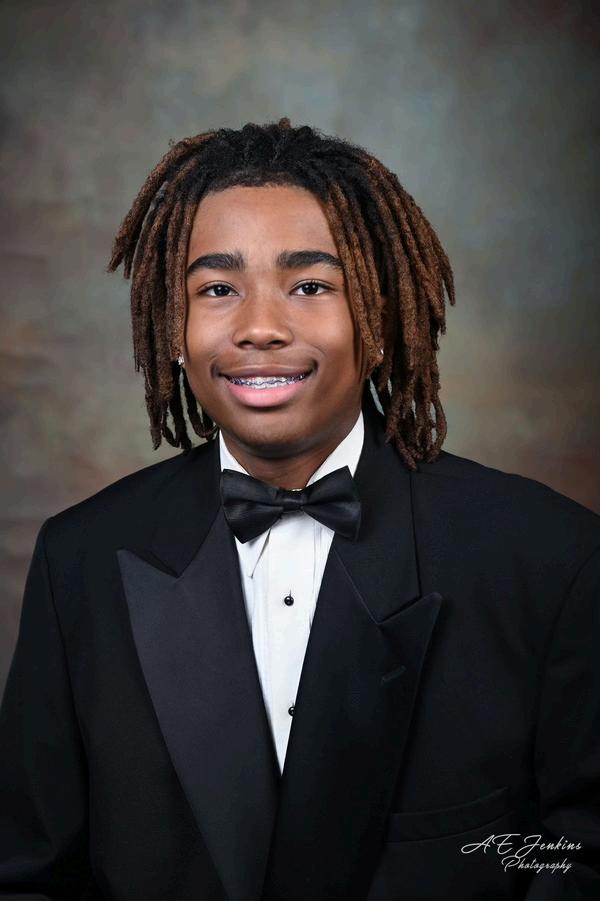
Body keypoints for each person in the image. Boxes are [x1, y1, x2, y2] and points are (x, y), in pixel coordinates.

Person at [0, 118, 598, 901]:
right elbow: (28, 880)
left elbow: (580, 858)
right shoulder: (78, 561)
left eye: (311, 286)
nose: (260, 328)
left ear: (379, 317)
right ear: (173, 328)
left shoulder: (553, 559)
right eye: (218, 289)